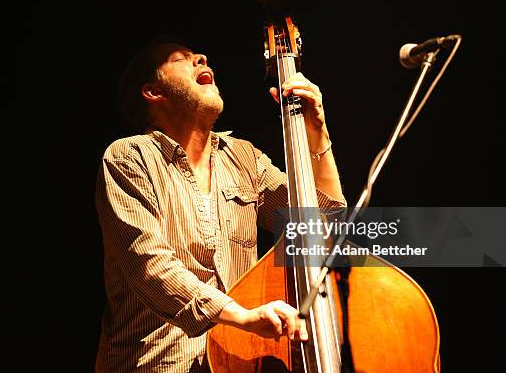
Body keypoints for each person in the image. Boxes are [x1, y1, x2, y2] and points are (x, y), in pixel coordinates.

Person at [94, 38, 346, 372]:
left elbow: (323, 228)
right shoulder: (129, 157)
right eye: (181, 59)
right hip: (158, 364)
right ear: (154, 92)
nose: (201, 57)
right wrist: (240, 315)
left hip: (234, 361)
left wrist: (316, 130)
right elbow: (149, 264)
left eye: (197, 54)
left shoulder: (245, 159)